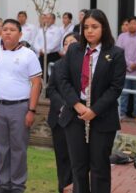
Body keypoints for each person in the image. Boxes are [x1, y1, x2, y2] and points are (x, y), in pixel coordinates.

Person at [60, 9, 126, 193]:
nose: (89, 31)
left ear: (103, 28)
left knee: (99, 167)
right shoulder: (74, 50)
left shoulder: (116, 53)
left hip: (102, 117)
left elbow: (115, 87)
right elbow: (63, 80)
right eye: (86, 27)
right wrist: (77, 104)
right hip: (75, 115)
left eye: (94, 27)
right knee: (79, 167)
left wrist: (94, 111)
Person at [0, 19, 42, 193]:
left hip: (20, 107)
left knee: (18, 148)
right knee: (1, 147)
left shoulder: (28, 55)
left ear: (20, 34)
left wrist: (31, 110)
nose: (7, 32)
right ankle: (3, 185)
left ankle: (17, 186)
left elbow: (36, 84)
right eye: (5, 29)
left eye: (12, 29)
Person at [46, 32, 80, 193]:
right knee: (62, 158)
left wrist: (73, 105)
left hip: (78, 118)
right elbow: (51, 89)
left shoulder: (85, 65)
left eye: (72, 42)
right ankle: (62, 188)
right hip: (59, 118)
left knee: (77, 159)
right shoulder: (58, 65)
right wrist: (63, 105)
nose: (68, 45)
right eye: (65, 42)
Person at [116, 16, 136, 121]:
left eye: (135, 23)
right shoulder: (122, 37)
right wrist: (129, 64)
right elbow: (119, 51)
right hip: (124, 70)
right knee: (123, 93)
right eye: (130, 23)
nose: (132, 25)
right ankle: (122, 113)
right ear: (127, 25)